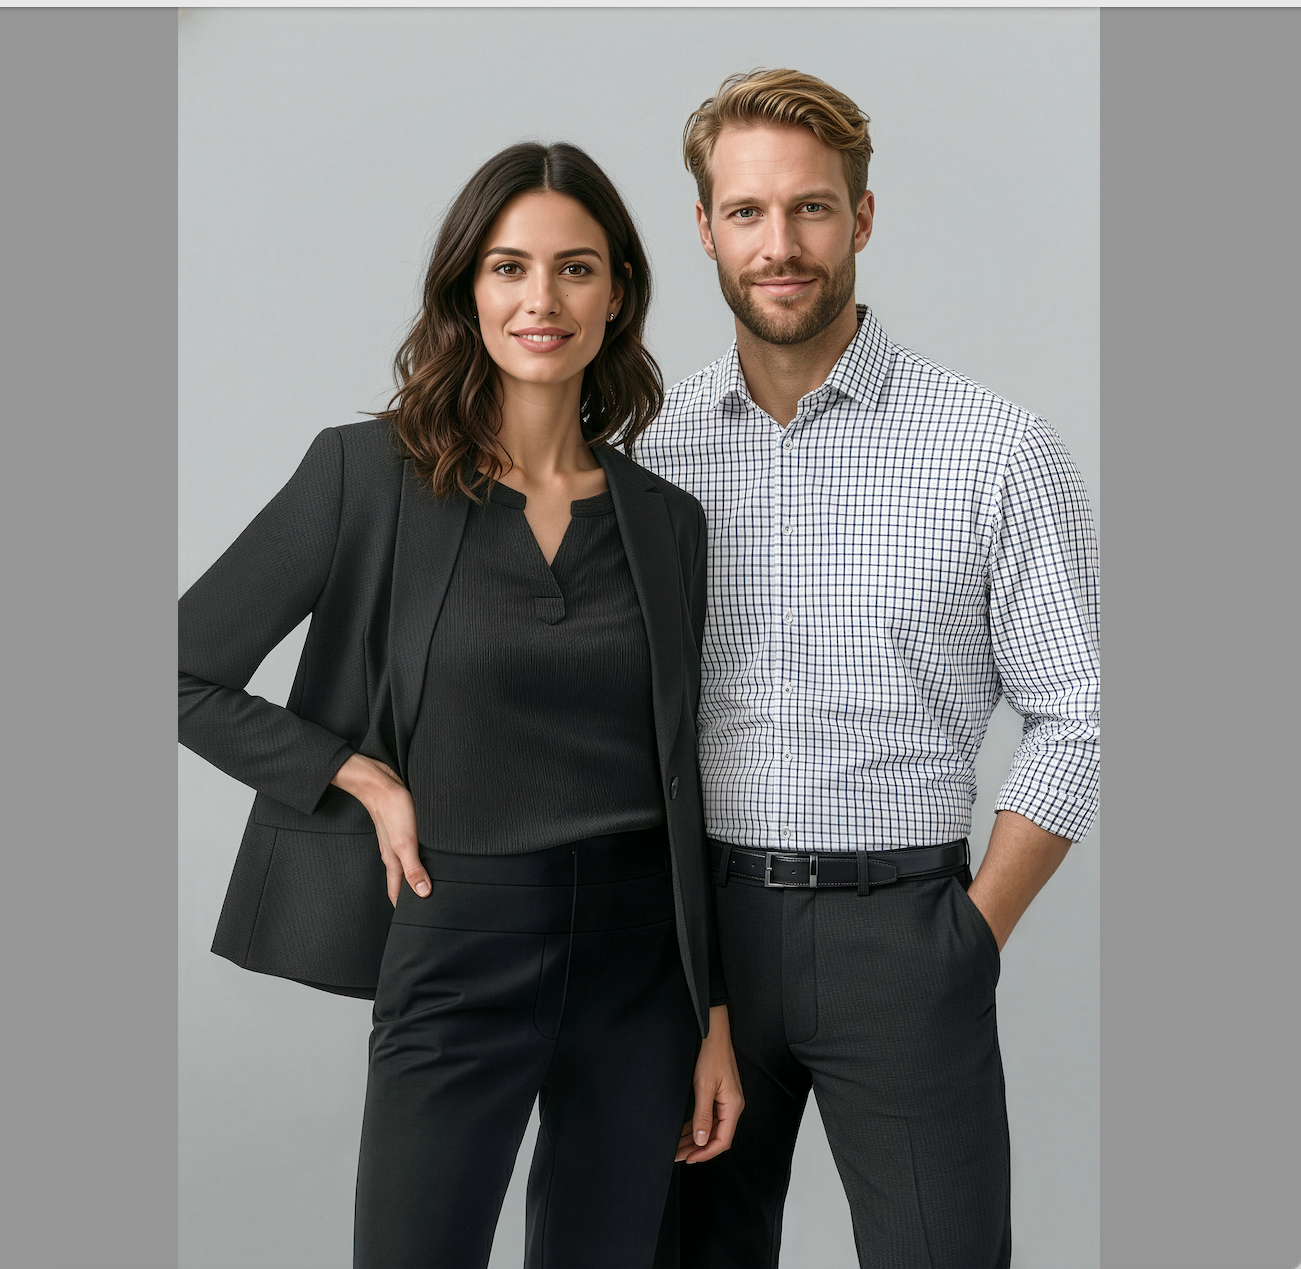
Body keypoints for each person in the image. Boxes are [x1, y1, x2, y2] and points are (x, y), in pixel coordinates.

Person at [178, 140, 742, 1269]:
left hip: (640, 970)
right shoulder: (365, 475)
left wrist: (712, 1016)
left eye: (576, 268)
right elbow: (176, 666)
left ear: (617, 291)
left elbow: (690, 775)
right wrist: (357, 775)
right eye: (508, 268)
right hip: (457, 934)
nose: (542, 300)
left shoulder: (667, 520)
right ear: (464, 293)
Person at [635, 69, 1100, 1269]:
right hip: (695, 947)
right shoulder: (646, 452)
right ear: (702, 228)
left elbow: (1081, 715)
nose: (777, 244)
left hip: (904, 934)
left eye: (810, 209)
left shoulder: (991, 448)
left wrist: (972, 934)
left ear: (862, 217)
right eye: (744, 212)